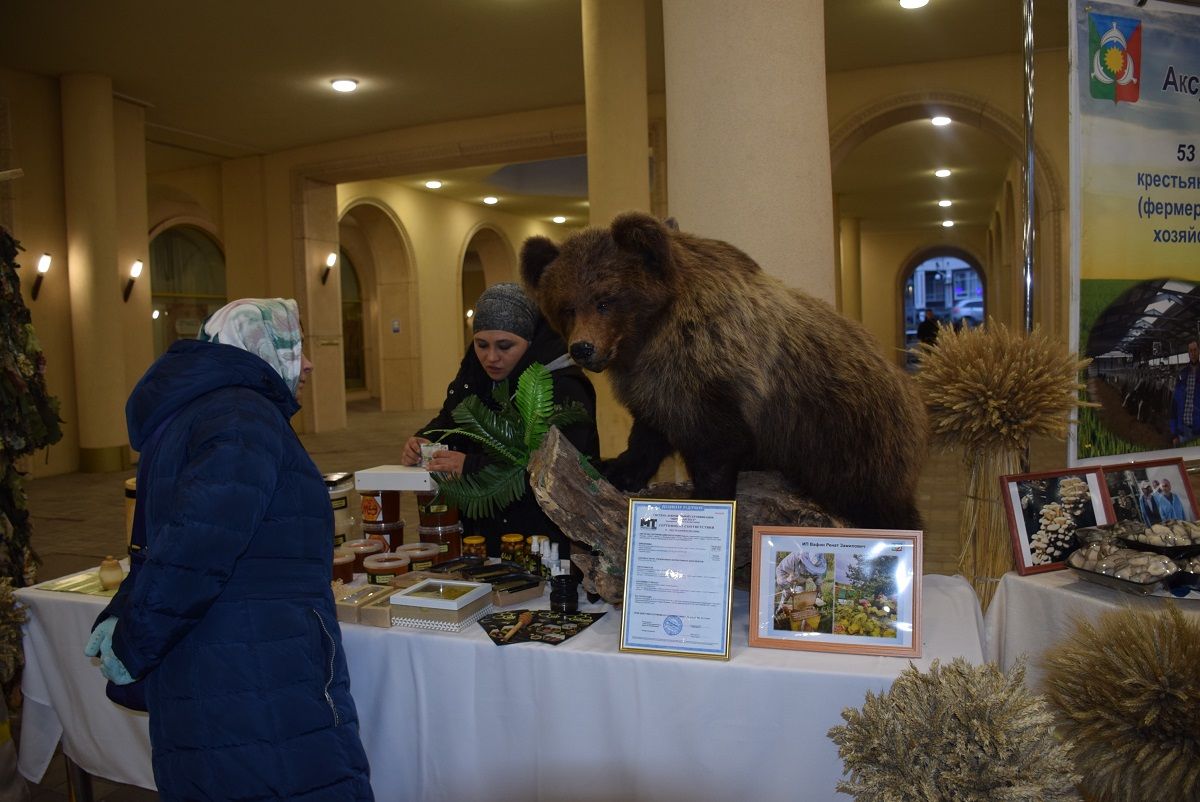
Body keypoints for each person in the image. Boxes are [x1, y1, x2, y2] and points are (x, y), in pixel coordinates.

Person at [84, 299, 373, 800]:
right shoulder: (244, 418)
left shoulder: (195, 413)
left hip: (214, 664)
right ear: (258, 348)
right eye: (294, 346)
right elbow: (195, 546)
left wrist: (126, 615)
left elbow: (168, 539)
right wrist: (134, 638)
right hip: (256, 672)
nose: (309, 363)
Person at [402, 283, 599, 557]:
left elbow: (558, 469)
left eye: (505, 346)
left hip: (547, 540)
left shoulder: (563, 386)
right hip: (485, 537)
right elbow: (452, 419)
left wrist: (471, 466)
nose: (491, 357)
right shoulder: (474, 376)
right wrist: (427, 438)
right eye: (481, 345)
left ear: (530, 342)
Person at [1170, 339, 1199, 446]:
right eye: (1191, 351)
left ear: (1199, 351)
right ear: (1188, 353)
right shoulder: (1182, 374)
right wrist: (1174, 433)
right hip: (1184, 429)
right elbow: (1175, 404)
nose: (1193, 353)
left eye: (1195, 350)